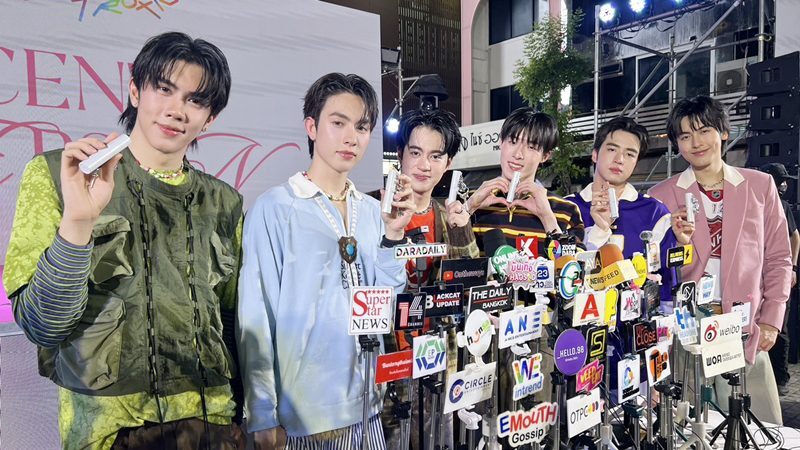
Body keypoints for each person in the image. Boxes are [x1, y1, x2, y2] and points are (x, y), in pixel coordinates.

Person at [3, 32, 244, 449]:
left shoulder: (224, 201)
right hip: (107, 427)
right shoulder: (60, 175)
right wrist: (78, 222)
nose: (176, 110)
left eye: (195, 100)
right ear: (135, 91)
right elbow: (43, 325)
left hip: (213, 422)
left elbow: (231, 321)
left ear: (210, 118)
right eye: (164, 89)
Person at [238, 73, 414, 449]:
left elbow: (386, 301)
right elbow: (256, 316)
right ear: (312, 127)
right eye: (338, 123)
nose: (351, 137)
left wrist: (393, 237)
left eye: (362, 127)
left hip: (368, 406)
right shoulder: (275, 207)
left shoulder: (374, 211)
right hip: (302, 418)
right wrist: (262, 413)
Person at [649, 95, 791, 425]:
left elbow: (779, 257)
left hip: (743, 326)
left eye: (704, 131)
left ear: (723, 133)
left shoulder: (759, 186)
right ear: (676, 144)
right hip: (685, 329)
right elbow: (653, 271)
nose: (696, 143)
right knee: (687, 427)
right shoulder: (661, 196)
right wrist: (676, 244)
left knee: (754, 426)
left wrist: (772, 318)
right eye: (685, 136)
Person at [463, 107, 584, 414]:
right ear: (501, 142)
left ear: (545, 155)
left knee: (532, 423)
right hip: (480, 334)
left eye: (531, 146)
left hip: (538, 337)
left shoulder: (564, 210)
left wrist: (548, 219)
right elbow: (454, 266)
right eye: (512, 141)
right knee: (479, 426)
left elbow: (575, 282)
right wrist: (469, 207)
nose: (518, 154)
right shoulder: (477, 204)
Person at [379, 108, 479, 450]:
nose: (424, 165)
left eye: (436, 156)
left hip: (439, 357)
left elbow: (470, 287)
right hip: (389, 359)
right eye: (416, 153)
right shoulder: (374, 211)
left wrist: (461, 230)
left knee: (438, 440)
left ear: (448, 163)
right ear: (400, 155)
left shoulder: (449, 215)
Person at [759, 162, 800, 396]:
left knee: (779, 325)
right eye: (780, 180)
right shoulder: (753, 203)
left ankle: (780, 378)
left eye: (785, 181)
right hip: (755, 276)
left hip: (776, 274)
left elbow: (795, 237)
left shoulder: (782, 206)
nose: (784, 185)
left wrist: (791, 268)